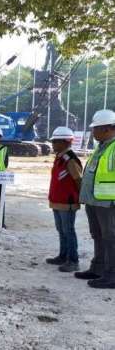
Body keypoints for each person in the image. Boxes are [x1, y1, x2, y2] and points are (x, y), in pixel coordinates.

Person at [76, 109, 115, 288]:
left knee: (110, 238)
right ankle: (98, 268)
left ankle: (111, 275)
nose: (93, 132)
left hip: (108, 203)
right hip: (95, 201)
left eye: (95, 129)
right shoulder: (101, 147)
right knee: (98, 235)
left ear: (107, 129)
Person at [45, 127, 83, 273]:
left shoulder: (70, 159)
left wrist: (80, 198)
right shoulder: (60, 157)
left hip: (67, 202)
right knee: (61, 230)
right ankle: (63, 256)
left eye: (55, 142)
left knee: (68, 231)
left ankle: (73, 260)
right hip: (58, 201)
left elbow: (78, 180)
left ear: (64, 142)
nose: (53, 144)